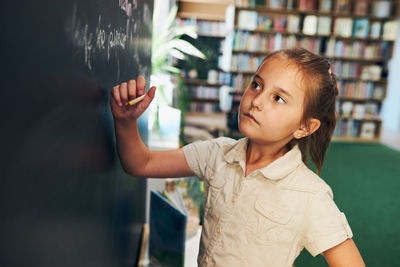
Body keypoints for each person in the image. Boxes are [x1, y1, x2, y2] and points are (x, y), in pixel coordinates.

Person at [110, 48, 365, 267]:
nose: (257, 101)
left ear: (305, 127)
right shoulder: (215, 153)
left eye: (278, 98)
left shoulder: (309, 195)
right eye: (256, 85)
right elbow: (140, 163)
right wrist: (125, 122)